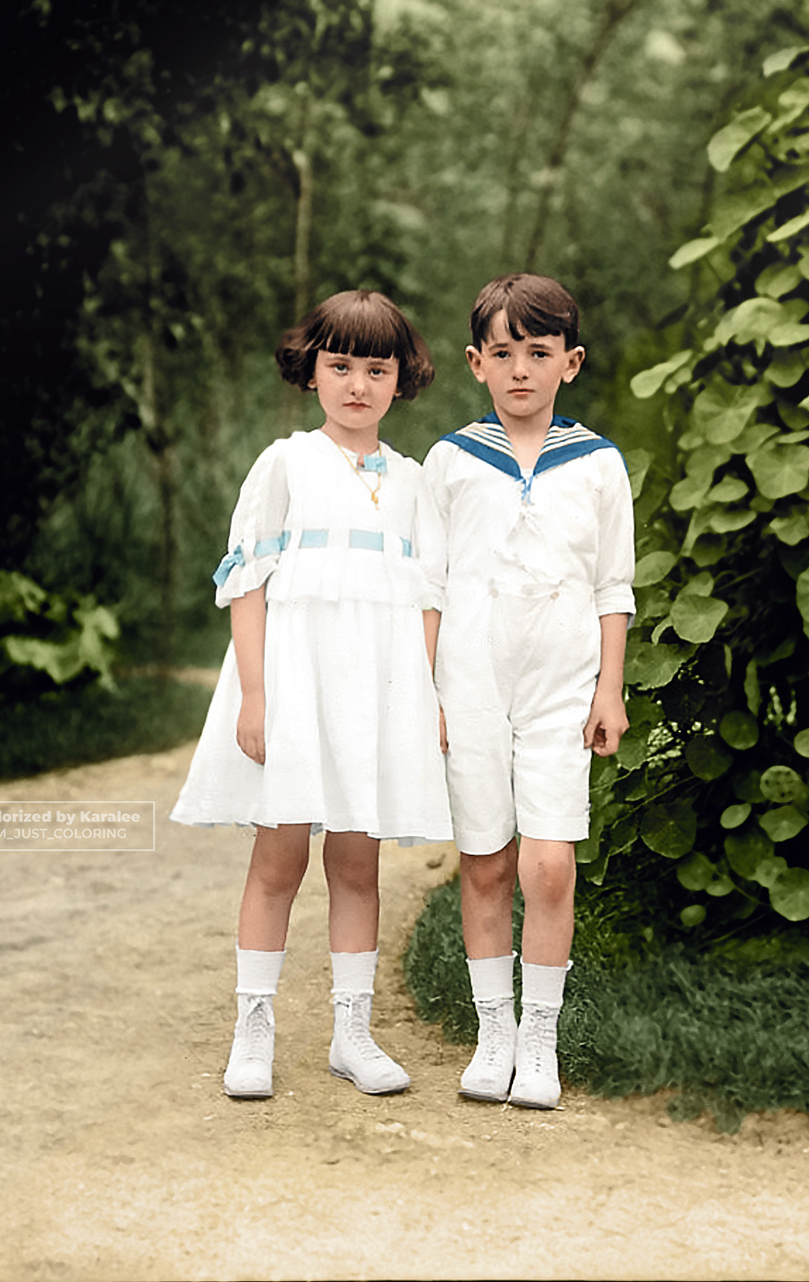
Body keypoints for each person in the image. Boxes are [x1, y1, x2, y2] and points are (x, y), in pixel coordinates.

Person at [171, 289, 453, 1100]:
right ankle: (253, 1026)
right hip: (294, 682)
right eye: (341, 366)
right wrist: (255, 693)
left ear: (402, 378)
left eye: (377, 367)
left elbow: (427, 598)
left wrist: (425, 695)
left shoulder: (410, 481)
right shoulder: (285, 462)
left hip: (375, 690)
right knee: (279, 856)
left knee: (357, 862)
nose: (358, 384)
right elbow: (248, 583)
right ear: (312, 371)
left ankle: (352, 1032)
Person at [416, 273, 636, 1109]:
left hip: (561, 688)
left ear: (569, 363)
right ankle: (493, 1031)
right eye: (502, 353)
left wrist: (608, 689)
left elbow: (613, 585)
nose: (520, 370)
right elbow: (429, 588)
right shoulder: (452, 461)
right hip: (470, 682)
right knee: (486, 862)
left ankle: (540, 1038)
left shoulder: (598, 465)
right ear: (476, 362)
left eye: (538, 353)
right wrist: (429, 695)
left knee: (547, 865)